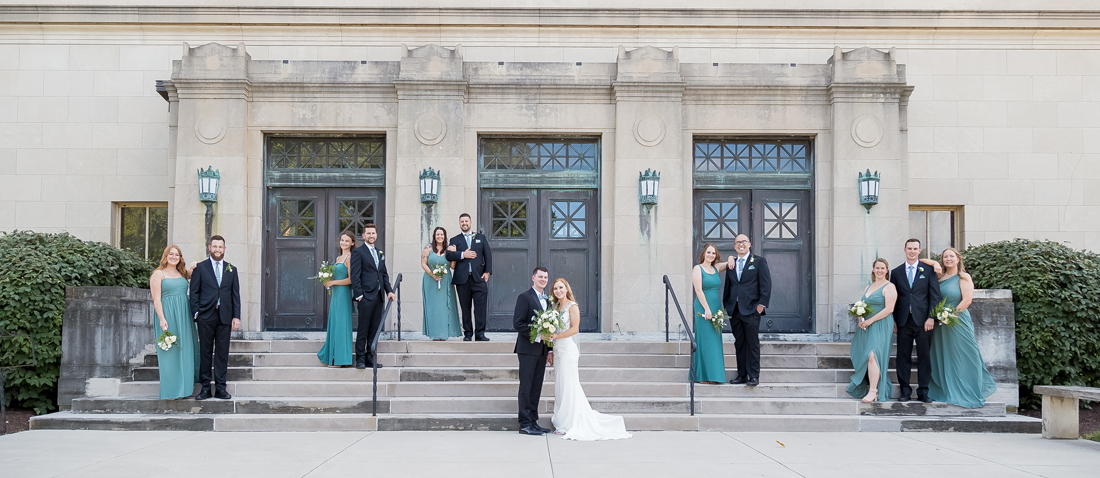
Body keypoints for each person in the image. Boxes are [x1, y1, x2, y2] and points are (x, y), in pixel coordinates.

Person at [547, 278, 632, 441]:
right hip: (558, 351)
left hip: (568, 351)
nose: (558, 290)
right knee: (561, 386)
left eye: (561, 287)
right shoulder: (555, 307)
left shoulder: (573, 307)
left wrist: (556, 336)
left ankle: (570, 423)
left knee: (570, 385)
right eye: (555, 288)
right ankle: (562, 420)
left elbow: (574, 329)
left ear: (566, 289)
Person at [927, 248, 997, 408]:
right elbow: (920, 262)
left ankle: (968, 390)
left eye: (951, 256)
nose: (948, 259)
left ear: (958, 259)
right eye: (945, 257)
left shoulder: (963, 277)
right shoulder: (939, 277)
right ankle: (946, 390)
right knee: (944, 356)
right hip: (940, 324)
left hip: (957, 321)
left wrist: (950, 316)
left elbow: (967, 300)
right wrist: (933, 262)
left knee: (965, 354)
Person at [888, 238, 942, 403]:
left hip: (924, 321)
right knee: (902, 356)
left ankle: (923, 392)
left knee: (924, 356)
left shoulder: (928, 270)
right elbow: (893, 298)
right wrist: (894, 321)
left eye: (915, 248)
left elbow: (935, 296)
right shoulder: (896, 273)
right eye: (909, 248)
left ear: (920, 251)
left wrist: (931, 317)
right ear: (904, 250)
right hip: (904, 321)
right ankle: (904, 391)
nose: (912, 251)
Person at [189, 235, 241, 401]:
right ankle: (205, 388)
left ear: (224, 249)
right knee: (205, 352)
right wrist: (196, 312)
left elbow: (235, 295)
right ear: (209, 248)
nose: (218, 250)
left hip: (225, 316)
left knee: (222, 353)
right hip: (206, 316)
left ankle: (220, 388)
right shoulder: (200, 268)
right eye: (215, 246)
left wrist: (236, 316)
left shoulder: (232, 269)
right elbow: (194, 292)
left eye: (221, 247)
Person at [150, 245, 199, 400]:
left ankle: (185, 388)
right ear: (166, 256)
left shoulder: (183, 272)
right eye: (171, 254)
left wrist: (196, 264)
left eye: (177, 254)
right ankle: (171, 391)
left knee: (185, 349)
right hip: (168, 315)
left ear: (180, 257)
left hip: (184, 315)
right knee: (170, 352)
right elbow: (156, 298)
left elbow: (202, 272)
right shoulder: (158, 274)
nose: (174, 256)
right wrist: (161, 318)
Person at [723, 234, 771, 387]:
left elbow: (766, 285)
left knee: (752, 343)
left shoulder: (759, 262)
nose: (741, 245)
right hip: (735, 310)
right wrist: (727, 305)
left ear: (749, 244)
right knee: (740, 343)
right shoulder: (732, 263)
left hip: (751, 310)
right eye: (737, 242)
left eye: (743, 242)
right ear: (734, 246)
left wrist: (760, 306)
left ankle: (753, 376)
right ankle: (742, 375)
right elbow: (728, 287)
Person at [846, 258, 897, 403]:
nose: (880, 271)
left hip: (881, 324)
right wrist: (860, 319)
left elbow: (889, 309)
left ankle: (873, 391)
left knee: (873, 356)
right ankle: (869, 385)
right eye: (877, 268)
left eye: (883, 268)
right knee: (866, 355)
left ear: (887, 270)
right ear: (873, 270)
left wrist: (871, 320)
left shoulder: (889, 287)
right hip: (866, 326)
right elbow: (861, 305)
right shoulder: (868, 287)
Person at [513, 266, 552, 436]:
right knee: (526, 386)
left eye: (545, 277)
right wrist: (538, 336)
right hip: (527, 349)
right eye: (540, 277)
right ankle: (524, 424)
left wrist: (549, 350)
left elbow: (550, 329)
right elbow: (518, 323)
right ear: (533, 278)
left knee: (536, 387)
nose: (543, 279)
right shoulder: (524, 297)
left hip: (542, 351)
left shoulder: (548, 301)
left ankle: (534, 422)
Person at [350, 223, 395, 370]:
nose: (371, 236)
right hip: (365, 296)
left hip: (379, 296)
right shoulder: (358, 252)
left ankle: (370, 358)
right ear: (363, 236)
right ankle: (361, 359)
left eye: (373, 233)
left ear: (376, 235)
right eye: (368, 233)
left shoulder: (379, 252)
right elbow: (355, 276)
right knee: (363, 328)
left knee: (374, 329)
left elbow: (383, 274)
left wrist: (389, 290)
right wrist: (359, 295)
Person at [691, 243, 734, 384]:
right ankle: (703, 376)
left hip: (716, 307)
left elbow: (729, 263)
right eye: (708, 252)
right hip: (704, 307)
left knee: (715, 341)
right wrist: (707, 308)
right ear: (704, 253)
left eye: (713, 253)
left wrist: (732, 257)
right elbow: (698, 290)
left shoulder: (715, 268)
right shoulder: (698, 269)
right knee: (705, 340)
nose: (711, 255)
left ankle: (715, 375)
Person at [447, 213, 493, 341]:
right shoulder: (454, 240)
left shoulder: (481, 238)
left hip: (479, 278)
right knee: (465, 307)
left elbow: (488, 256)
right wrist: (463, 254)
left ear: (471, 222)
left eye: (466, 221)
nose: (464, 223)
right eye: (462, 221)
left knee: (480, 308)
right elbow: (449, 256)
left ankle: (480, 333)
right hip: (462, 280)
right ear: (459, 224)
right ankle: (468, 333)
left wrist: (487, 272)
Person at [317, 231, 355, 367]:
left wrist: (333, 283)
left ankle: (341, 360)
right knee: (334, 324)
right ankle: (333, 356)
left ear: (352, 243)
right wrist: (327, 281)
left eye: (347, 241)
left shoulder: (350, 257)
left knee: (341, 325)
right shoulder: (339, 258)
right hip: (336, 294)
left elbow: (351, 279)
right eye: (342, 240)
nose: (343, 243)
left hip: (344, 294)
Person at [421, 227, 462, 340]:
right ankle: (434, 334)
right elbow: (423, 264)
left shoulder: (449, 249)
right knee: (433, 307)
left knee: (444, 307)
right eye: (437, 234)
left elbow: (452, 267)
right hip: (430, 280)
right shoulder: (428, 248)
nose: (440, 236)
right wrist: (432, 274)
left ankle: (444, 334)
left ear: (445, 236)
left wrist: (454, 254)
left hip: (445, 281)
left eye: (442, 234)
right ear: (434, 236)